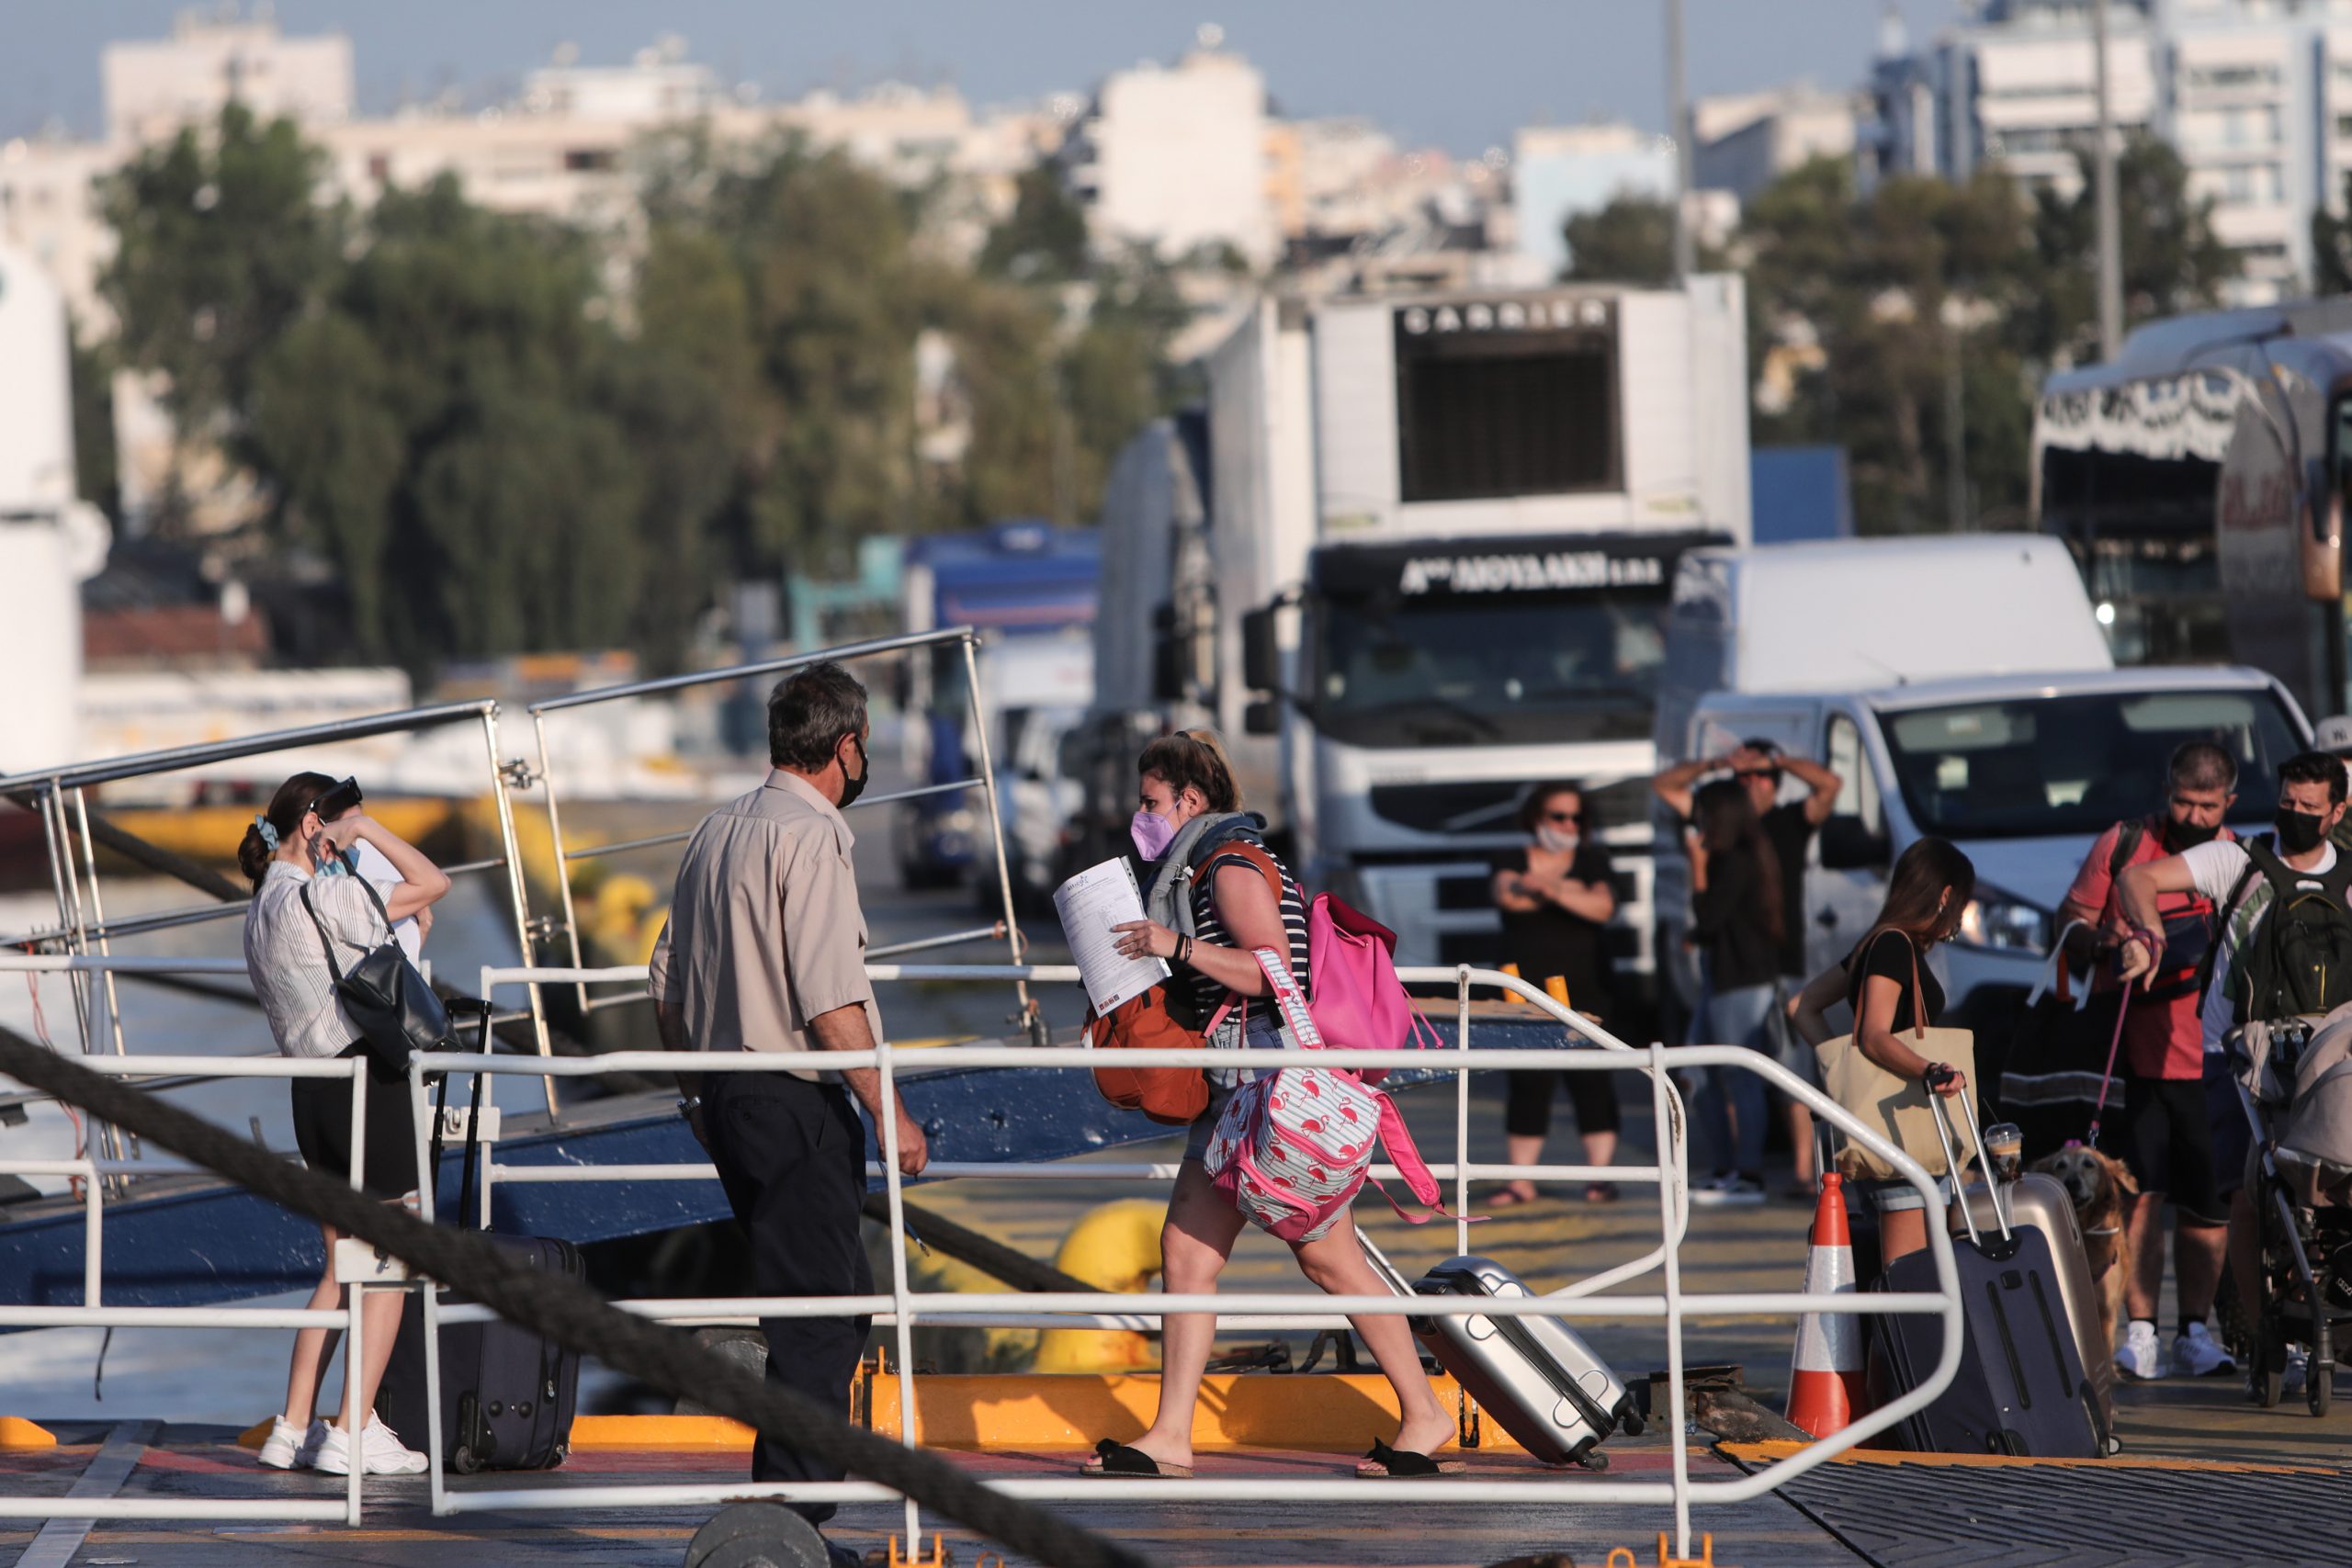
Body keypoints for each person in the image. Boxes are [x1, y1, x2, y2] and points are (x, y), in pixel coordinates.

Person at [1084, 729, 1456, 1480]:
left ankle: (1424, 1412)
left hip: (1264, 1078)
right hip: (1237, 1082)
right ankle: (1171, 1435)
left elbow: (1273, 969)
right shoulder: (1209, 861)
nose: (1142, 813)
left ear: (1190, 799)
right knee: (1191, 1256)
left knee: (1328, 1260)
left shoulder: (1228, 862)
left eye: (1151, 799)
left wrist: (1172, 944)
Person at [650, 662, 927, 1568]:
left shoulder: (716, 829)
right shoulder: (814, 836)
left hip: (729, 1094)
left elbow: (666, 983)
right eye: (865, 743)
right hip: (794, 1096)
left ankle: (786, 1503)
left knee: (806, 1303)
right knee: (825, 1311)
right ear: (844, 745)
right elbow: (828, 998)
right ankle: (786, 1522)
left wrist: (698, 1091)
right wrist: (888, 1112)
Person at [2113, 750, 2352, 1384]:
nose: (2295, 816)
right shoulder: (2237, 860)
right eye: (2287, 804)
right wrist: (2148, 934)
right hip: (2237, 1054)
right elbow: (2136, 881)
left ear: (2339, 810)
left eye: (2309, 808)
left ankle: (2328, 1309)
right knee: (2245, 1194)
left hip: (2333, 1055)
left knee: (2332, 1191)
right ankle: (2263, 1329)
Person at [240, 772, 452, 1476]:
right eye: (335, 817)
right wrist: (363, 833)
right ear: (312, 823)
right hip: (368, 1082)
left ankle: (292, 1423)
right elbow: (433, 883)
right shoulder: (325, 891)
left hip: (313, 1092)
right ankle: (354, 1426)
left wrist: (344, 834)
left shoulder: (260, 906)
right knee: (392, 1258)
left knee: (341, 1264)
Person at [2053, 741, 2237, 1382]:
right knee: (2139, 1195)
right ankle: (2141, 1330)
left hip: (2212, 1057)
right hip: (2132, 1051)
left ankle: (2195, 1330)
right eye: (2183, 801)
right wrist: (2110, 941)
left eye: (2207, 805)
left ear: (2229, 803)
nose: (2193, 814)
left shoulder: (2237, 857)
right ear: (2166, 791)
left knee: (2209, 1202)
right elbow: (2070, 921)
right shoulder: (2126, 843)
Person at [1656, 739, 1841, 1194]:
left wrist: (1774, 760)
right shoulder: (1728, 832)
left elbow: (1829, 784)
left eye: (1756, 776)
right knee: (1708, 1072)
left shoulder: (1780, 827)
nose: (1746, 783)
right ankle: (1735, 1169)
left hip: (1768, 969)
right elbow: (1665, 784)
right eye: (1739, 778)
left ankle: (1784, 1171)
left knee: (1781, 1074)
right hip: (1732, 968)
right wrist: (1717, 762)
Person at [1790, 838, 1976, 1266]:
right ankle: (1907, 1335)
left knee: (1922, 1268)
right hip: (1900, 1132)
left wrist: (1840, 1065)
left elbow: (1800, 1007)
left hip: (1897, 1125)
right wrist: (1928, 1069)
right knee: (1909, 1269)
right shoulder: (1894, 946)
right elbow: (1874, 1034)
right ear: (1945, 894)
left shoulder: (1872, 946)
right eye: (1961, 903)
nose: (1960, 917)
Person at [1487, 783, 1621, 1205]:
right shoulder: (1510, 857)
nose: (1568, 826)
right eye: (1558, 817)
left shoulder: (1594, 859)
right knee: (1527, 1081)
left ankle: (1599, 1176)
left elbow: (1602, 907)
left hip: (1587, 987)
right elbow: (1509, 897)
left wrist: (1545, 889)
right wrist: (1570, 894)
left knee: (1592, 1080)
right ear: (1536, 819)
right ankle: (1520, 1180)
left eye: (1575, 818)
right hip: (1522, 989)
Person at [1681, 779, 1787, 1203]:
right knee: (1699, 1073)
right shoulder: (1744, 854)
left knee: (1738, 1075)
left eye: (1702, 814)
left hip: (1741, 979)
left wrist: (1697, 867)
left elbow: (1710, 918)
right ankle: (1726, 1168)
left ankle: (1748, 1173)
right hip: (1726, 976)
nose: (1697, 824)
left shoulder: (1734, 859)